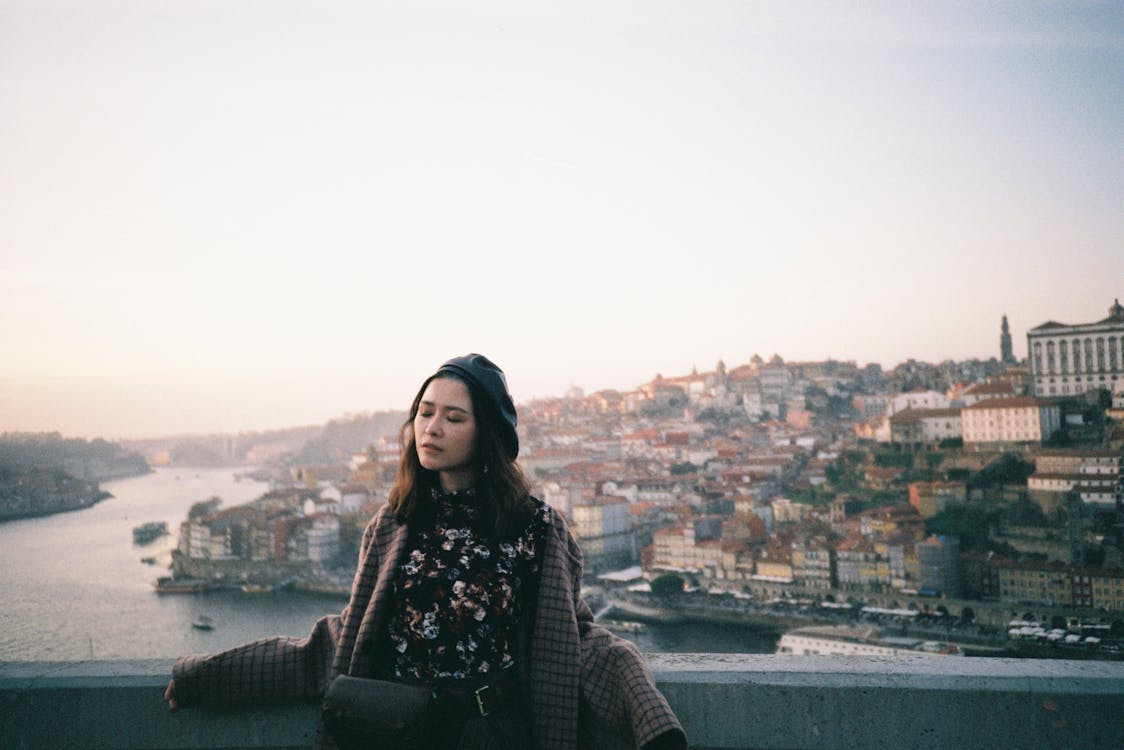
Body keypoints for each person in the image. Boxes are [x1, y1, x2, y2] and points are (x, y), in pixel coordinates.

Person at [164, 353, 687, 750]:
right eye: (425, 412)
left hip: (493, 734)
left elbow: (579, 640)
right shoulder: (393, 526)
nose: (431, 428)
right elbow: (343, 639)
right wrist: (204, 676)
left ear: (487, 434)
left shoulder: (535, 529)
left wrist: (651, 720)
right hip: (398, 732)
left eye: (453, 418)